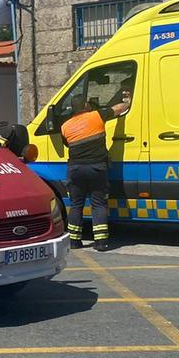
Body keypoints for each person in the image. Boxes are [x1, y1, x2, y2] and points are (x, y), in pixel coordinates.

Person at [61, 89, 131, 251]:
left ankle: (74, 241)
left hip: (75, 169)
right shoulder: (96, 115)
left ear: (73, 109)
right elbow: (118, 109)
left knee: (76, 204)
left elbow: (67, 144)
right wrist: (127, 101)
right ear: (86, 106)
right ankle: (100, 242)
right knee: (98, 204)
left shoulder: (65, 126)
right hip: (97, 168)